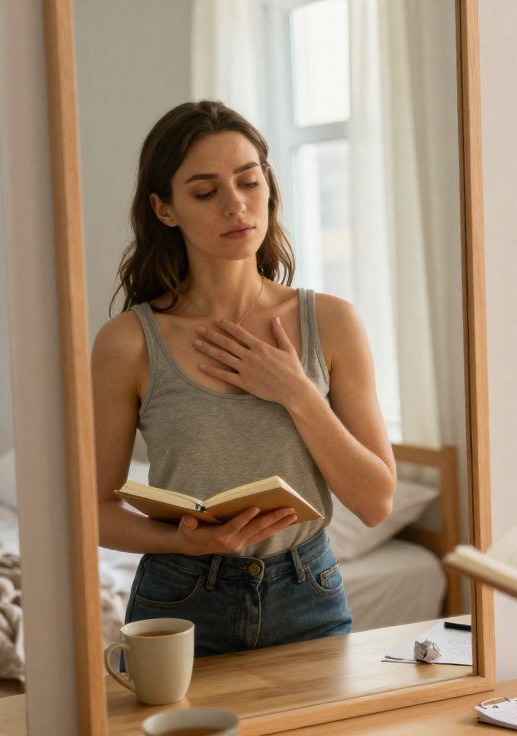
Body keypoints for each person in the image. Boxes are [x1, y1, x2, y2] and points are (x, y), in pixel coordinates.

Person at [92, 100, 396, 657]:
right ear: (165, 209)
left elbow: (376, 501)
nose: (236, 206)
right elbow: (95, 510)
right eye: (206, 192)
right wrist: (183, 540)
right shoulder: (128, 342)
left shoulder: (331, 323)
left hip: (309, 591)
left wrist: (297, 392)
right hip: (180, 598)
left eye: (249, 182)